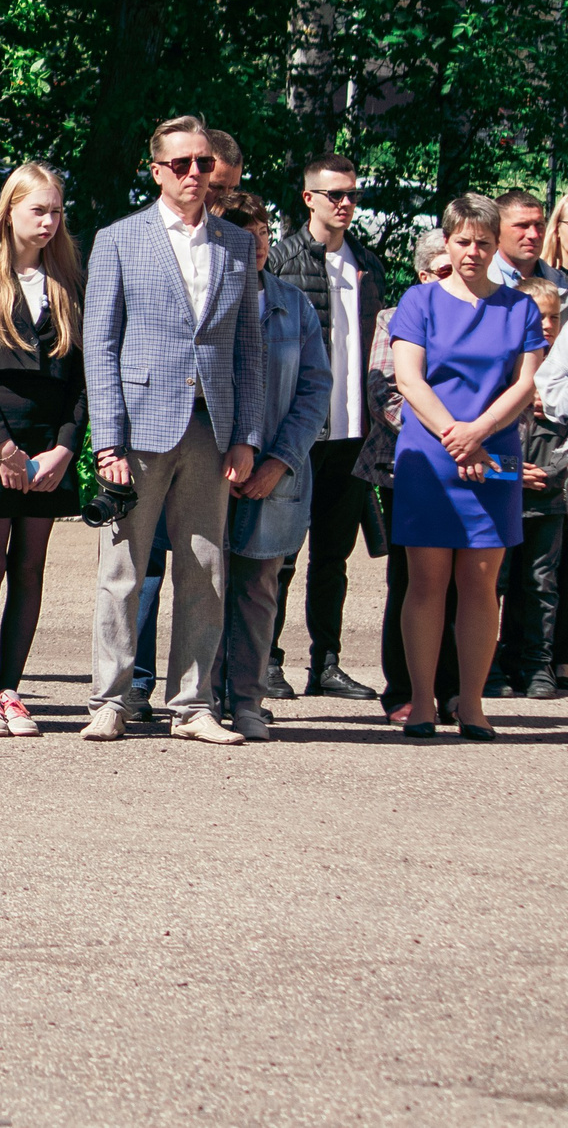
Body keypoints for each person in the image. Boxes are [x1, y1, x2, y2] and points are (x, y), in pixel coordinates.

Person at [80, 115, 266, 745]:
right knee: (123, 568)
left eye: (204, 164)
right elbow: (100, 346)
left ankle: (193, 705)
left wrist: (246, 435)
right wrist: (106, 440)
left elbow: (249, 349)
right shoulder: (119, 239)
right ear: (156, 170)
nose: (195, 174)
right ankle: (110, 698)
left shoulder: (235, 246)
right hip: (139, 427)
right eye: (182, 164)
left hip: (211, 429)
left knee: (205, 570)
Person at [387, 194, 545, 739]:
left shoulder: (520, 307)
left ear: (494, 242)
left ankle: (472, 704)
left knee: (482, 584)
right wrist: (459, 437)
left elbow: (525, 383)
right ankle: (424, 703)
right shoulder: (419, 301)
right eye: (463, 241)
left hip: (494, 453)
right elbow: (410, 380)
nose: (473, 251)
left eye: (482, 241)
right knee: (426, 583)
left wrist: (479, 434)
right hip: (429, 456)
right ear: (447, 242)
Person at [0, 162, 84, 739]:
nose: (49, 221)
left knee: (30, 567)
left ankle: (12, 691)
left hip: (48, 444)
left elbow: (83, 379)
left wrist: (65, 449)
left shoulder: (71, 283)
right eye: (38, 210)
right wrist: (1, 446)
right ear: (10, 211)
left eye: (56, 211)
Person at [262, 153, 387, 701]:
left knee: (333, 556)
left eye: (353, 195)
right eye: (335, 194)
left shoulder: (368, 263)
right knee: (281, 553)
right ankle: (265, 659)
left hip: (353, 433)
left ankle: (327, 662)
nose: (346, 204)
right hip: (299, 433)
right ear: (308, 198)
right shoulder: (284, 260)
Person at [211, 194, 330, 740]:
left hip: (274, 476)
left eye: (263, 231)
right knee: (204, 584)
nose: (258, 242)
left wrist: (279, 461)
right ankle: (200, 699)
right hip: (209, 470)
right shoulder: (207, 300)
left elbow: (315, 391)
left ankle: (248, 701)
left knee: (258, 587)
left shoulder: (295, 306)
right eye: (245, 233)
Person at [362, 230, 456, 725]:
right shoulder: (393, 318)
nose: (454, 278)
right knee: (411, 581)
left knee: (467, 582)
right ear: (422, 276)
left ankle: (456, 690)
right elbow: (384, 395)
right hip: (411, 466)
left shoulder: (484, 313)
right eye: (442, 271)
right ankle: (403, 688)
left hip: (472, 463)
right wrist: (446, 431)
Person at [513, 281, 568, 697]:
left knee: (540, 581)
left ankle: (537, 665)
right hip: (504, 484)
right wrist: (513, 470)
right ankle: (497, 664)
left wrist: (552, 471)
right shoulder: (507, 364)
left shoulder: (560, 372)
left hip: (552, 489)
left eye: (554, 317)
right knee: (495, 581)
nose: (546, 325)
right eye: (538, 315)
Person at [490, 190, 564, 290]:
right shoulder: (473, 284)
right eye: (522, 225)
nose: (534, 235)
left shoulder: (562, 283)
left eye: (539, 225)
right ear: (496, 230)